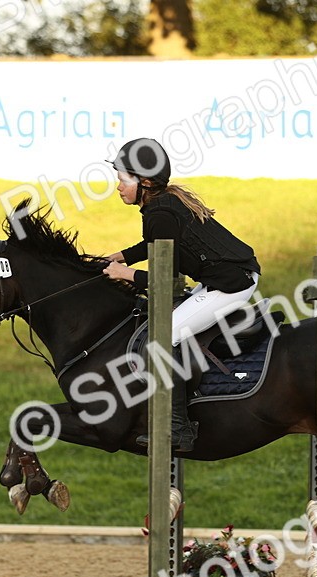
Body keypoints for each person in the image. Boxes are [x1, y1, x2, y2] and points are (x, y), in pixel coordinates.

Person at [102, 138, 262, 453]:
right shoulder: (159, 203)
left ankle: (178, 430)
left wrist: (126, 274)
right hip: (225, 275)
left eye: (123, 180)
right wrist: (117, 257)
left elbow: (164, 280)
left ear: (144, 182)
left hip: (232, 283)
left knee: (161, 340)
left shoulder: (160, 211)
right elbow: (154, 246)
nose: (118, 187)